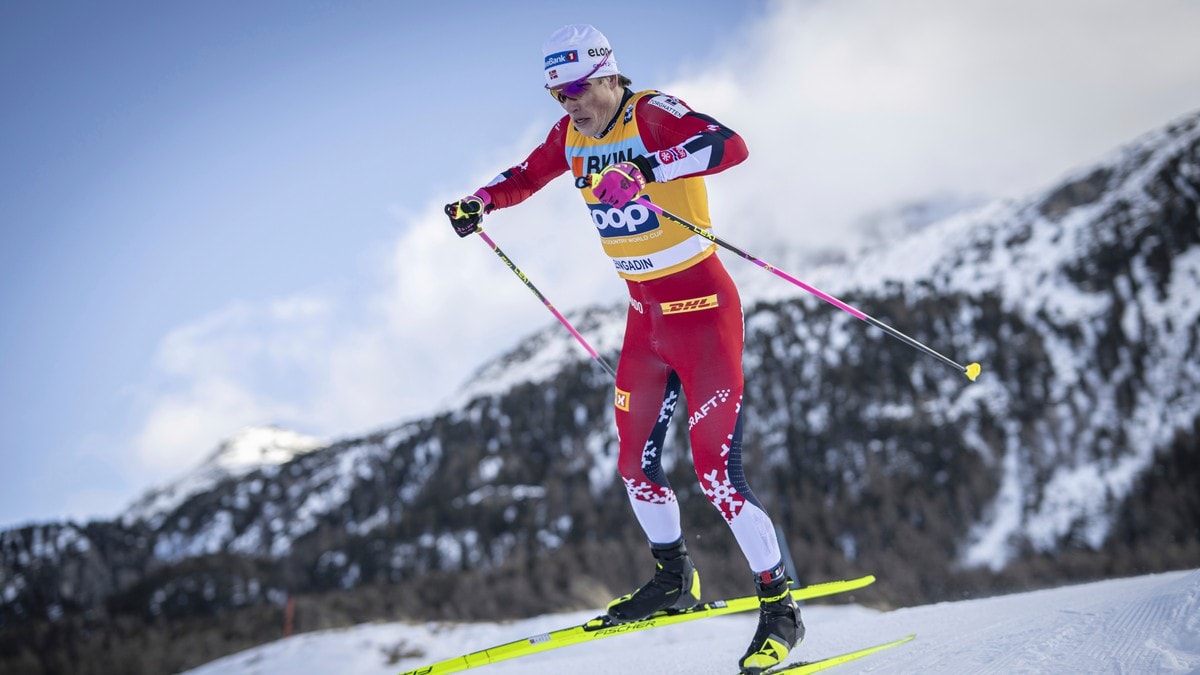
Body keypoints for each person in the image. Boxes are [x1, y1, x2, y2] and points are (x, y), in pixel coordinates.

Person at [444, 24, 802, 674]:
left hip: (703, 316)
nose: (571, 104)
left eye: (579, 88)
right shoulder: (571, 136)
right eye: (558, 94)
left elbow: (731, 145)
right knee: (635, 464)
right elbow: (528, 174)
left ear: (610, 75)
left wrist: (646, 167)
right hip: (646, 322)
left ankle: (781, 610)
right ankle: (674, 583)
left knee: (718, 475)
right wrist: (481, 201)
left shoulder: (653, 114)